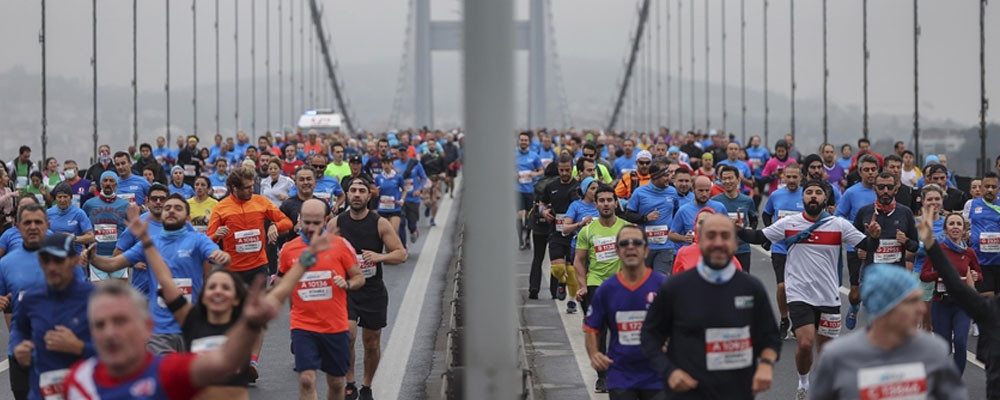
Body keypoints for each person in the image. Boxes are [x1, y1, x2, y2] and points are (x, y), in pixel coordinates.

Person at [738, 179, 881, 398]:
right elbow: (760, 237)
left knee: (825, 352)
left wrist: (874, 237)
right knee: (805, 344)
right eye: (809, 193)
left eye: (818, 193)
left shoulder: (838, 224)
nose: (813, 196)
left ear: (825, 199)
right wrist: (737, 230)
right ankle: (803, 384)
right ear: (803, 197)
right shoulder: (789, 223)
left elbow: (867, 248)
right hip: (799, 293)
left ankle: (820, 387)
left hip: (828, 296)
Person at [61, 273, 280, 399]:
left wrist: (250, 324)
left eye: (120, 321)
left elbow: (224, 361)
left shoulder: (167, 371)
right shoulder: (77, 380)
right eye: (99, 325)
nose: (109, 333)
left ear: (147, 326)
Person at [641, 214, 780, 399]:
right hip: (688, 392)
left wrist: (765, 365)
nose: (718, 243)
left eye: (725, 236)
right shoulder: (675, 288)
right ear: (700, 241)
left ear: (735, 243)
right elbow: (650, 335)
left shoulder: (751, 288)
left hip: (737, 391)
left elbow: (770, 336)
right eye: (711, 236)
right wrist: (669, 371)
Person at [87, 198, 231, 352]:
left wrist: (222, 256)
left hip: (192, 326)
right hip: (159, 332)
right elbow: (113, 264)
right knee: (165, 374)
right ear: (161, 215)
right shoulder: (149, 243)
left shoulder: (197, 240)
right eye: (167, 208)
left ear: (187, 218)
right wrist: (92, 258)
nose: (171, 211)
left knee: (191, 376)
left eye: (178, 208)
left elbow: (218, 254)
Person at [809, 264, 966, 400]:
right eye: (911, 301)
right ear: (884, 308)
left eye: (920, 300)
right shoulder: (837, 357)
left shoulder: (933, 350)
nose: (922, 309)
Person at [206, 167, 292, 377]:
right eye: (245, 188)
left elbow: (287, 222)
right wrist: (217, 235)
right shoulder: (221, 208)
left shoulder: (260, 202)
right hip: (232, 271)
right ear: (232, 188)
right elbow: (206, 243)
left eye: (251, 186)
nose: (250, 191)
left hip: (258, 268)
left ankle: (252, 363)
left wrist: (274, 226)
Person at [278, 199, 366, 400]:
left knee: (336, 383)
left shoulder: (340, 245)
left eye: (316, 223)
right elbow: (281, 284)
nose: (310, 228)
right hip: (303, 325)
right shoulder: (289, 250)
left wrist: (348, 284)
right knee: (306, 380)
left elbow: (359, 277)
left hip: (334, 326)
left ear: (326, 220)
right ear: (300, 220)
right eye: (306, 222)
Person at [330, 180, 408, 400]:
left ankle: (366, 386)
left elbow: (401, 254)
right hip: (346, 289)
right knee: (347, 336)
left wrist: (380, 257)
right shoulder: (336, 223)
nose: (356, 195)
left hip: (372, 290)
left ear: (369, 196)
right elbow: (324, 254)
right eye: (353, 191)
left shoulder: (380, 223)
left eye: (361, 191)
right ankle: (350, 383)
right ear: (346, 194)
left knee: (372, 343)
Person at [584, 225, 666, 399]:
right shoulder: (606, 289)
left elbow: (680, 323)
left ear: (646, 250)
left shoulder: (663, 285)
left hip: (657, 376)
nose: (630, 247)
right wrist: (594, 354)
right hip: (621, 376)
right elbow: (591, 327)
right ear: (617, 251)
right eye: (624, 243)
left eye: (637, 243)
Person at [9, 233, 94, 400]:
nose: (52, 267)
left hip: (85, 393)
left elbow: (119, 352)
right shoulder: (31, 299)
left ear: (75, 261)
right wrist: (20, 348)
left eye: (58, 260)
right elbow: (19, 330)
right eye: (46, 261)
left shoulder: (95, 299)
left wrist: (80, 347)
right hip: (43, 393)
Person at [573, 184, 630, 393]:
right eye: (602, 200)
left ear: (616, 202)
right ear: (595, 204)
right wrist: (582, 286)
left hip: (621, 283)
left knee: (623, 328)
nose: (606, 204)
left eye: (609, 200)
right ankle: (603, 376)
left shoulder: (627, 228)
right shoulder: (587, 230)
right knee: (600, 329)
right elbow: (578, 261)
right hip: (596, 282)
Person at [1, 204, 54, 400]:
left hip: (58, 350)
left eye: (38, 222)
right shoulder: (5, 264)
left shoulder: (65, 259)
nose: (32, 227)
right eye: (27, 222)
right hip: (21, 351)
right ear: (17, 226)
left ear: (47, 225)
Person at [919, 212, 981, 375]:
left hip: (962, 305)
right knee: (943, 347)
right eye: (951, 224)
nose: (955, 227)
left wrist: (975, 276)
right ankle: (937, 376)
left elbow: (979, 274)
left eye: (958, 224)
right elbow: (924, 275)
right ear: (945, 230)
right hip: (941, 303)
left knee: (960, 342)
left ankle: (956, 379)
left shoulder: (969, 253)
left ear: (964, 229)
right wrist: (940, 272)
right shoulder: (937, 250)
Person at [837, 154, 880, 330]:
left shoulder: (884, 191)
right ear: (860, 172)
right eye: (866, 170)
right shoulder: (851, 193)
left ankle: (876, 326)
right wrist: (855, 234)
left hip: (879, 248)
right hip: (856, 247)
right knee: (855, 293)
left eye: (873, 170)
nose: (870, 173)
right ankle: (854, 306)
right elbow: (838, 216)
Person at [538, 155, 579, 301]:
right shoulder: (551, 186)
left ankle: (572, 302)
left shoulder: (578, 187)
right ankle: (561, 281)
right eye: (561, 170)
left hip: (573, 233)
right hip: (556, 232)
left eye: (567, 170)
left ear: (572, 168)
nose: (565, 173)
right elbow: (541, 203)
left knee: (572, 271)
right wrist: (543, 211)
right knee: (557, 268)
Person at [626, 161, 676, 275]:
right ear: (655, 177)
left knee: (661, 280)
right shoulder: (639, 192)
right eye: (665, 176)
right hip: (644, 246)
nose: (669, 178)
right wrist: (645, 218)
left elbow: (677, 210)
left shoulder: (672, 192)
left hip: (665, 245)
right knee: (643, 280)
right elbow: (628, 215)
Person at [81, 172, 131, 283]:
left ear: (116, 185)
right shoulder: (89, 204)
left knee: (121, 296)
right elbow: (83, 228)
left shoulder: (125, 205)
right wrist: (85, 248)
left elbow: (131, 231)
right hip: (97, 256)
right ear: (101, 183)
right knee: (99, 296)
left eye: (111, 181)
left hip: (118, 256)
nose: (108, 183)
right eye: (105, 180)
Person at [561, 177, 600, 314]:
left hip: (598, 249)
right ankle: (586, 314)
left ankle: (595, 313)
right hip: (579, 248)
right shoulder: (575, 206)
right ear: (584, 190)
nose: (595, 191)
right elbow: (565, 229)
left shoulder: (601, 205)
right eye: (592, 188)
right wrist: (580, 224)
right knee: (584, 284)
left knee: (595, 283)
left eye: (597, 188)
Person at [671, 208, 745, 274]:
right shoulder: (683, 253)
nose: (704, 226)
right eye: (701, 222)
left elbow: (738, 284)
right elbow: (675, 284)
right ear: (695, 225)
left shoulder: (725, 255)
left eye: (709, 222)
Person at [711, 165, 757, 272]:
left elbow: (754, 220)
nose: (727, 181)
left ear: (738, 180)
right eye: (724, 178)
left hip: (742, 249)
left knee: (743, 282)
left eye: (730, 178)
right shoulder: (714, 201)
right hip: (721, 249)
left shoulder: (747, 201)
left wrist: (750, 229)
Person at [669, 176, 727, 250]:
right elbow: (672, 234)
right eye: (700, 190)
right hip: (692, 253)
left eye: (707, 190)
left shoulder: (720, 207)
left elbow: (728, 231)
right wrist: (684, 238)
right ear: (693, 189)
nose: (704, 194)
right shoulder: (684, 210)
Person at [970, 172, 1000, 296]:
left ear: (998, 188)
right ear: (981, 187)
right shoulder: (972, 204)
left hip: (999, 261)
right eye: (987, 186)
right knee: (987, 299)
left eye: (993, 187)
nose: (990, 190)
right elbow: (964, 224)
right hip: (981, 261)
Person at [47, 182, 95, 255]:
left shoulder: (79, 213)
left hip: (74, 257)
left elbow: (91, 237)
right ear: (55, 198)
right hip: (54, 257)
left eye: (65, 197)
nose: (62, 200)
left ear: (71, 197)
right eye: (59, 197)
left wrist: (74, 238)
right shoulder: (48, 213)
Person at [517, 132, 544, 250]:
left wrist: (534, 174)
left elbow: (541, 171)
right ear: (519, 141)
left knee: (529, 215)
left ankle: (527, 238)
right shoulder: (513, 155)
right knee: (518, 215)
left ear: (529, 142)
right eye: (521, 140)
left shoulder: (534, 155)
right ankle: (520, 241)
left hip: (530, 189)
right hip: (517, 189)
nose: (523, 142)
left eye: (525, 140)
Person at [396, 144, 427, 243]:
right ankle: (404, 246)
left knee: (411, 224)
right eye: (400, 152)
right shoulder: (394, 164)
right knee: (401, 223)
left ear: (407, 153)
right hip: (401, 199)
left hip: (413, 198)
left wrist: (419, 189)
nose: (402, 154)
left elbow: (423, 178)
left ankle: (414, 230)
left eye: (404, 152)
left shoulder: (415, 163)